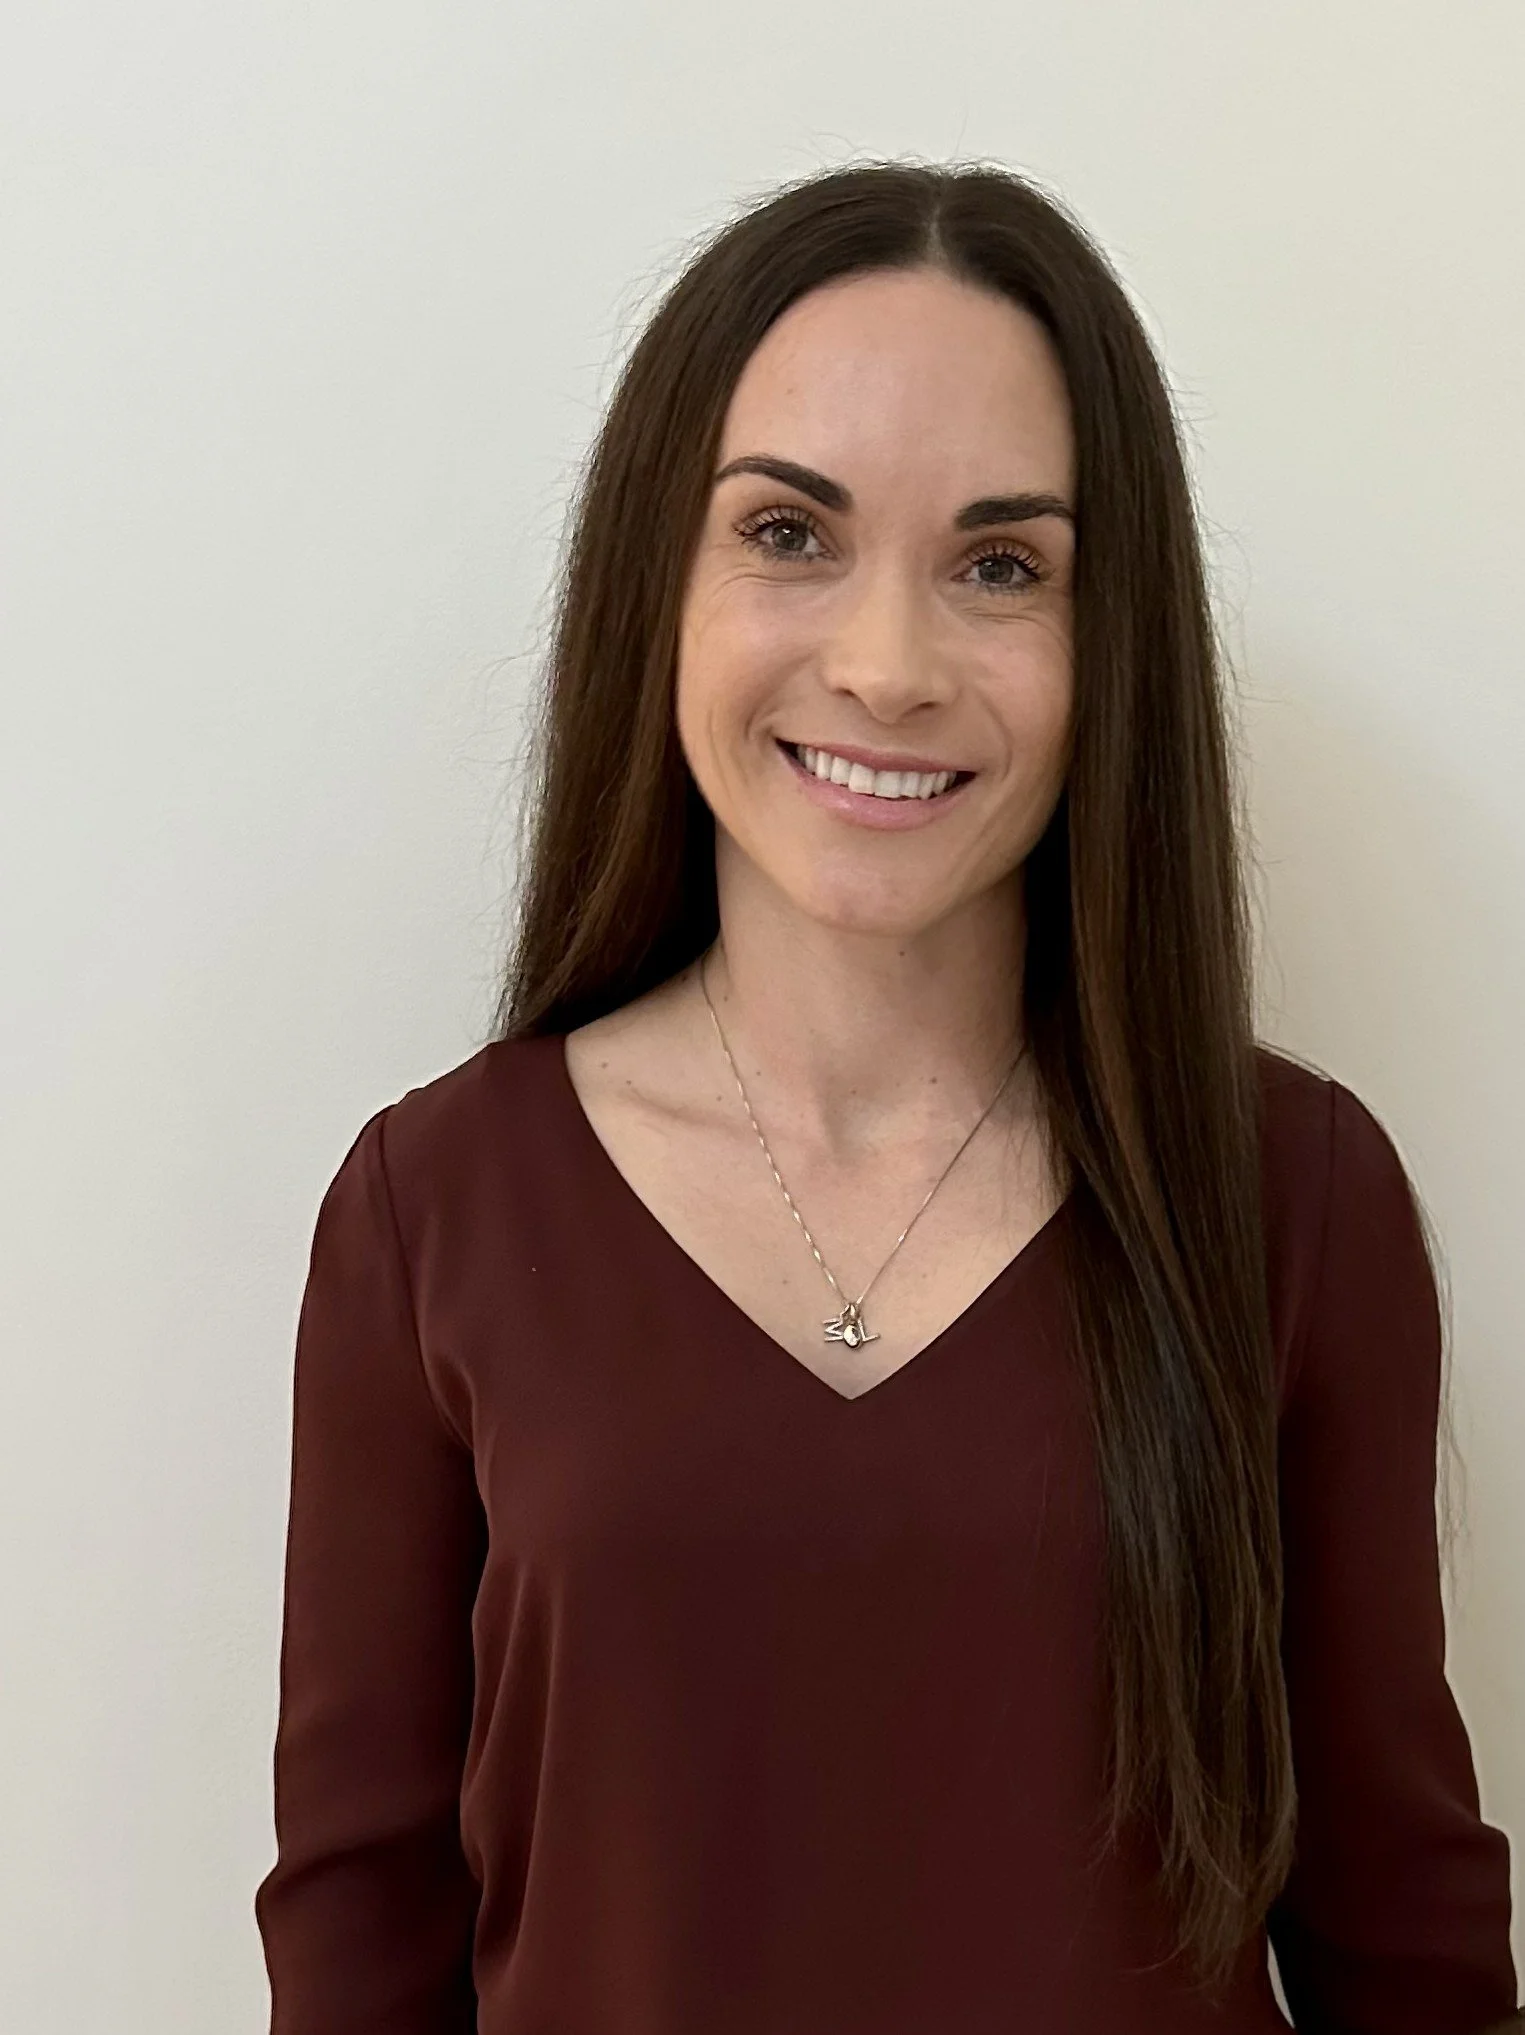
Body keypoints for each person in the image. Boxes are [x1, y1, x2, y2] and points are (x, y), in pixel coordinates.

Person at [253, 160, 1520, 2032]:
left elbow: (1406, 1946)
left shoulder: (1287, 1195)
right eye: (789, 533)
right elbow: (359, 1949)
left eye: (1002, 564)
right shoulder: (433, 1208)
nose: (886, 663)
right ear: (655, 584)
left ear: (1112, 645)